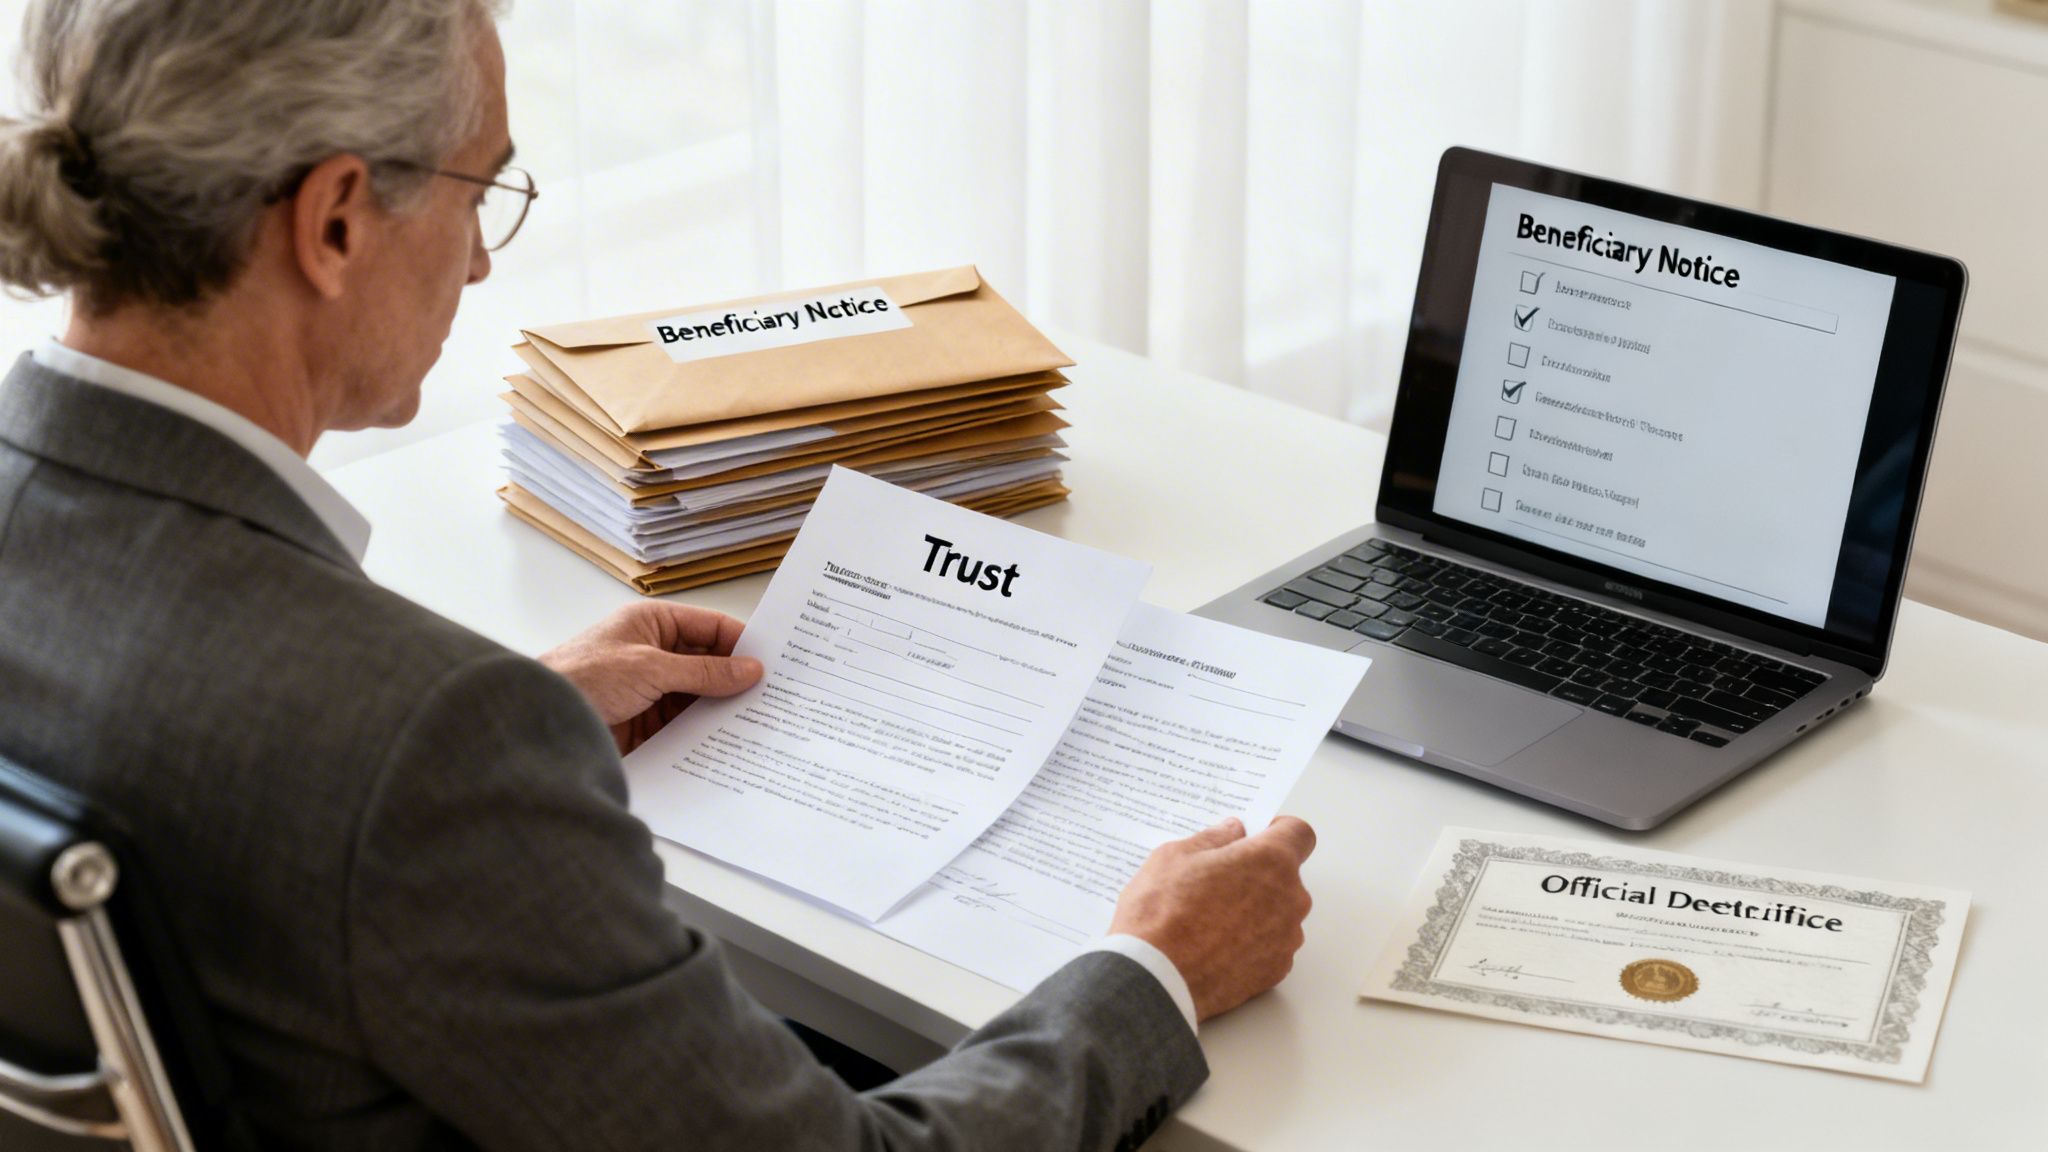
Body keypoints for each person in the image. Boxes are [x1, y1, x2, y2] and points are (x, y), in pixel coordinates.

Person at [0, 2, 1317, 1148]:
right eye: (479, 192)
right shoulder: (419, 748)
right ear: (337, 220)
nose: (481, 258)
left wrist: (506, 730)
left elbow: (244, 773)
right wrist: (1154, 970)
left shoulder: (390, 731)